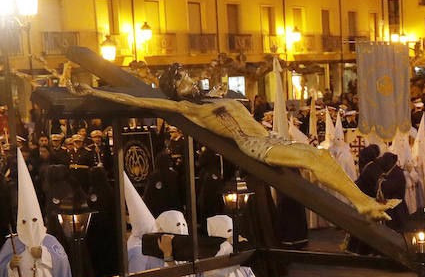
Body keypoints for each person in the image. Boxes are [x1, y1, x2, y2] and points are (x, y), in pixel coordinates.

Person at [73, 73, 398, 221]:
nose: (190, 81)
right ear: (177, 91)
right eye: (183, 81)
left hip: (269, 136)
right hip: (255, 145)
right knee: (315, 161)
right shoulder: (190, 109)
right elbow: (133, 98)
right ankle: (362, 204)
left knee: (322, 156)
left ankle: (363, 202)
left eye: (187, 76)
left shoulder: (213, 97)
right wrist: (94, 90)